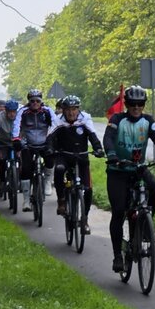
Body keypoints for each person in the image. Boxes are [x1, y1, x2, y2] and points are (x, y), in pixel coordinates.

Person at [103, 84, 155, 273]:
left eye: (140, 104)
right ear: (127, 104)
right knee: (119, 211)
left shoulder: (148, 121)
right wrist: (112, 154)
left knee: (154, 188)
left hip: (138, 169)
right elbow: (108, 138)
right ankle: (118, 256)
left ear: (144, 105)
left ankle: (145, 226)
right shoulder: (117, 119)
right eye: (133, 104)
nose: (136, 107)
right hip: (118, 170)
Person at [45, 95, 104, 234]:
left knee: (88, 189)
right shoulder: (57, 120)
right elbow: (50, 137)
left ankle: (85, 220)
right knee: (59, 169)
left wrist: (98, 148)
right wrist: (49, 149)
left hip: (81, 155)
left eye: (74, 109)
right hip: (64, 154)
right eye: (68, 109)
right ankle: (61, 200)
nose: (71, 113)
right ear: (63, 110)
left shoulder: (85, 118)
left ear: (78, 109)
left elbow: (93, 135)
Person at [12, 89, 56, 211]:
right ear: (29, 102)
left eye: (37, 101)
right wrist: (16, 139)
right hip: (28, 143)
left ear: (41, 101)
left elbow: (55, 124)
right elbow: (16, 126)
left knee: (51, 159)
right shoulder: (23, 111)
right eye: (32, 101)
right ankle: (26, 200)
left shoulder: (48, 111)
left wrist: (53, 138)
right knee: (26, 169)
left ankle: (47, 182)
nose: (35, 103)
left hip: (44, 142)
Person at [0, 100, 20, 191]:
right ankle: (1, 180)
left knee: (21, 159)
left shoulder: (20, 116)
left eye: (14, 112)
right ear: (6, 111)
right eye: (10, 112)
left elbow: (24, 129)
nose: (12, 114)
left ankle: (19, 180)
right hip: (3, 141)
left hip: (16, 141)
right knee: (2, 160)